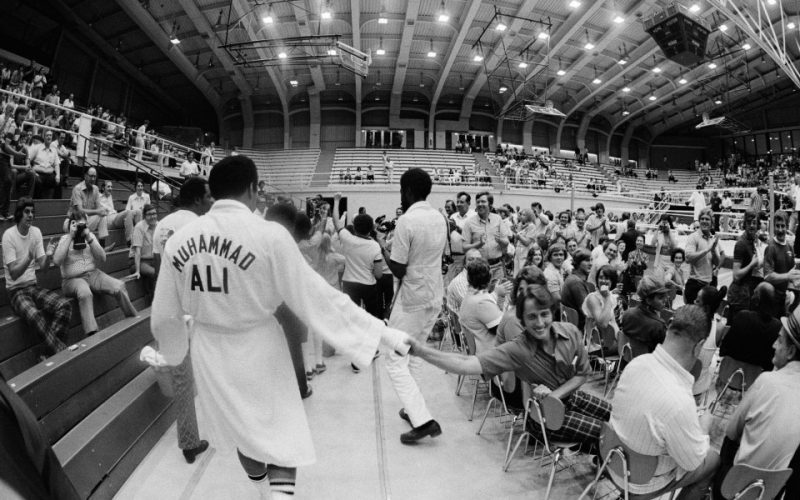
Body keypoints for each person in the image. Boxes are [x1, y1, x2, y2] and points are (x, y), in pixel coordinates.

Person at [150, 155, 410, 498]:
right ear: (254, 189)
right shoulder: (269, 234)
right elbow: (317, 297)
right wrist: (381, 332)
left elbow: (163, 315)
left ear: (214, 192)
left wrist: (172, 353)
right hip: (259, 343)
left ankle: (263, 494)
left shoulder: (178, 242)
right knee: (283, 435)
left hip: (209, 349)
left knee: (244, 435)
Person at [409, 283, 612, 448]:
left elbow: (583, 374)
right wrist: (421, 351)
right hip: (540, 415)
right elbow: (465, 363)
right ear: (522, 320)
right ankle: (604, 459)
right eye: (532, 317)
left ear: (552, 312)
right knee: (608, 434)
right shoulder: (518, 349)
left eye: (544, 314)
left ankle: (596, 452)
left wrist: (554, 395)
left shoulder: (570, 332)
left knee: (615, 415)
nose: (540, 323)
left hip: (566, 396)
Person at [610, 305, 721, 500]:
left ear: (669, 327)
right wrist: (703, 428)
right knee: (712, 460)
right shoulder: (679, 400)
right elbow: (691, 462)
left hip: (612, 459)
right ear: (699, 345)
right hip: (639, 482)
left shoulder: (637, 362)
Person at [380, 168, 448, 444]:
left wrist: (381, 247)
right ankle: (414, 410)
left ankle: (422, 421)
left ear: (407, 191)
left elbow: (397, 268)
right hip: (434, 294)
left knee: (394, 357)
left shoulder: (406, 221)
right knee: (416, 354)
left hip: (413, 299)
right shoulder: (439, 217)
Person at [151, 177, 213, 464]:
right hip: (193, 307)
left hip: (168, 307)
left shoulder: (163, 225)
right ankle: (194, 440)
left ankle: (189, 440)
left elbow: (155, 266)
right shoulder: (199, 226)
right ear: (198, 199)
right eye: (208, 196)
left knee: (182, 377)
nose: (211, 201)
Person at [712, 304, 800, 499]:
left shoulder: (767, 381)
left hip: (733, 488)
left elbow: (732, 432)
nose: (773, 345)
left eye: (779, 340)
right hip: (770, 492)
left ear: (791, 351)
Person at [2, 198, 71, 355]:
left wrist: (48, 255)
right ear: (19, 213)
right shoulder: (8, 236)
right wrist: (28, 257)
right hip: (15, 291)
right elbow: (13, 273)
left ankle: (47, 353)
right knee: (35, 315)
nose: (31, 215)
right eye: (27, 212)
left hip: (32, 286)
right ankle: (62, 353)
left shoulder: (36, 232)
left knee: (64, 306)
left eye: (33, 212)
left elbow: (44, 268)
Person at [332, 194, 383, 321]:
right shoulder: (375, 246)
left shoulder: (347, 238)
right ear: (371, 229)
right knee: (371, 317)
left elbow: (336, 221)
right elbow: (378, 275)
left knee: (351, 318)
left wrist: (337, 201)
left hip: (349, 283)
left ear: (354, 227)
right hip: (368, 285)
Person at [719, 282, 782, 372]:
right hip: (755, 381)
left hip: (728, 374)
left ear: (757, 298)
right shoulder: (777, 326)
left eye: (754, 293)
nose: (751, 297)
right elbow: (770, 364)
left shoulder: (743, 316)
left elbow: (724, 349)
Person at [463, 191, 511, 281]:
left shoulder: (498, 219)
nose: (480, 204)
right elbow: (464, 247)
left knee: (499, 293)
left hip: (497, 267)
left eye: (483, 201)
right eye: (478, 202)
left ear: (490, 204)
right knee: (481, 294)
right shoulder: (469, 223)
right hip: (478, 269)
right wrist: (478, 244)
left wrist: (500, 240)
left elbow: (506, 243)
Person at [459, 259, 503, 354]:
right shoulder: (481, 302)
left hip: (480, 353)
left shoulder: (470, 296)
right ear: (489, 278)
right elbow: (502, 330)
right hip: (491, 356)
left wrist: (497, 294)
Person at [727, 210, 764, 318]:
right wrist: (752, 265)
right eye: (749, 223)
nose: (752, 226)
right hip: (738, 296)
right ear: (745, 224)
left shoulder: (753, 240)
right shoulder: (741, 244)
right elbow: (736, 275)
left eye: (754, 223)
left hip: (746, 293)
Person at [621, 275, 669, 357]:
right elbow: (665, 353)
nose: (665, 300)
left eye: (665, 295)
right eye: (661, 298)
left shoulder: (627, 314)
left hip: (627, 362)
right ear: (648, 300)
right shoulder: (658, 326)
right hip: (649, 366)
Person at [684, 208, 723, 305]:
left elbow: (717, 263)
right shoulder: (693, 237)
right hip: (694, 285)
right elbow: (688, 258)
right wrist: (706, 250)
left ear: (712, 223)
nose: (704, 221)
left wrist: (713, 251)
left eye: (707, 219)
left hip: (707, 286)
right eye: (702, 219)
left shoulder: (712, 239)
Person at [764, 211, 800, 314]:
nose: (780, 230)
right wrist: (787, 276)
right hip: (771, 300)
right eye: (777, 226)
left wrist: (796, 280)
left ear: (787, 226)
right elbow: (767, 276)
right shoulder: (771, 247)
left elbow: (792, 274)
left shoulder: (789, 247)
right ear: (773, 227)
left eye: (783, 226)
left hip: (784, 298)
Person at [69, 167, 109, 247]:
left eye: (95, 176)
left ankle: (102, 247)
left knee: (102, 216)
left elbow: (98, 208)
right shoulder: (77, 189)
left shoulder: (96, 189)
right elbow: (80, 211)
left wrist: (103, 211)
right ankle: (101, 248)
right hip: (75, 222)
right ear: (85, 176)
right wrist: (98, 211)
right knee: (99, 214)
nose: (93, 179)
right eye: (91, 176)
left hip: (87, 221)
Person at [561, 248, 595, 330]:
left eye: (591, 260)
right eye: (587, 260)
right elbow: (587, 312)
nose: (590, 264)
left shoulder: (572, 278)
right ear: (578, 263)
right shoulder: (576, 282)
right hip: (580, 330)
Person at [99, 180, 141, 246]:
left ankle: (139, 237)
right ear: (103, 188)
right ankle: (130, 241)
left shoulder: (110, 196)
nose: (110, 188)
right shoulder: (98, 197)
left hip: (115, 216)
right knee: (128, 212)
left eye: (111, 187)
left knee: (138, 212)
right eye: (108, 187)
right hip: (108, 220)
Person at [130, 204, 158, 297]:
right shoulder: (139, 227)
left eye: (154, 213)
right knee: (155, 273)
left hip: (153, 259)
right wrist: (137, 271)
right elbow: (137, 251)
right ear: (144, 216)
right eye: (149, 214)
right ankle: (154, 304)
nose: (153, 216)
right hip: (138, 261)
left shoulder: (159, 225)